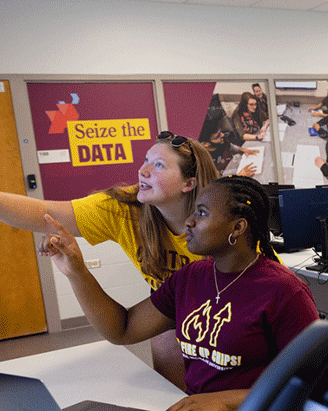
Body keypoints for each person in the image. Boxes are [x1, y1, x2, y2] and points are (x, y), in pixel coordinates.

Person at [40, 176, 319, 411]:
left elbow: (312, 380)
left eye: (202, 213)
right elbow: (122, 330)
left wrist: (221, 401)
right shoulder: (191, 277)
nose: (188, 222)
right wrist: (77, 271)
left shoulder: (284, 290)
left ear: (238, 227)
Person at [0, 132, 219, 387]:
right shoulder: (126, 207)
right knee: (175, 391)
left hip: (227, 312)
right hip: (174, 309)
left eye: (158, 165)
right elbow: (45, 214)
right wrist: (76, 270)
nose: (143, 171)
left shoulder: (222, 227)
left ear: (189, 184)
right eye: (146, 160)